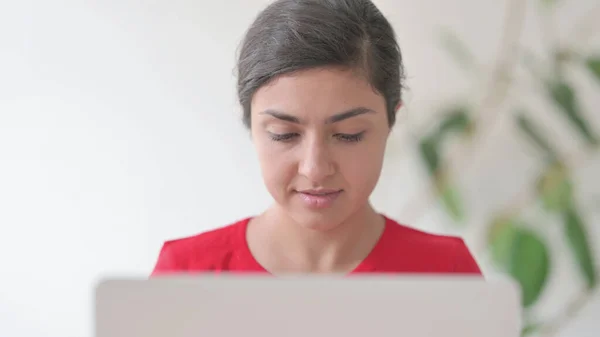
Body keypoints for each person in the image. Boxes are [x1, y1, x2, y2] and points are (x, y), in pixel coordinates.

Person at [151, 0, 482, 276]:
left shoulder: (446, 274)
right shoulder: (186, 274)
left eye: (349, 135)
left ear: (391, 120)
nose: (315, 169)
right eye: (285, 135)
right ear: (250, 125)